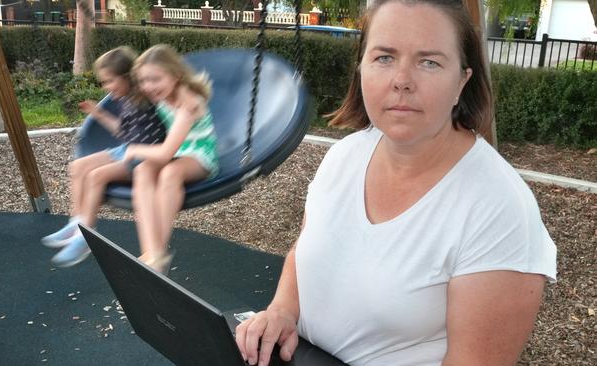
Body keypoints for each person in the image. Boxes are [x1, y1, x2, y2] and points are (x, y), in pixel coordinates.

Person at [234, 1, 557, 365]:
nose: (402, 80)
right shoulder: (345, 156)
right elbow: (304, 252)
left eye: (429, 61)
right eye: (384, 57)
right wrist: (281, 311)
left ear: (462, 82)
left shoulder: (498, 209)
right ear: (361, 68)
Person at [41, 46, 167, 267]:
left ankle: (85, 238)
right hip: (127, 149)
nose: (106, 88)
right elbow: (123, 131)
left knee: (96, 176)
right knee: (78, 167)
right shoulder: (125, 99)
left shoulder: (145, 96)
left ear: (128, 76)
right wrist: (98, 113)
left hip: (144, 158)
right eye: (103, 83)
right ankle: (76, 223)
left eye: (110, 81)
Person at [123, 44, 218, 274]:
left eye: (156, 79)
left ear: (175, 76)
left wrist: (135, 149)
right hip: (177, 152)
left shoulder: (188, 102)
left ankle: (158, 254)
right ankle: (150, 251)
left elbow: (165, 153)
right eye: (144, 80)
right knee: (142, 171)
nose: (148, 86)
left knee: (169, 173)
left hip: (200, 155)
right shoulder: (160, 95)